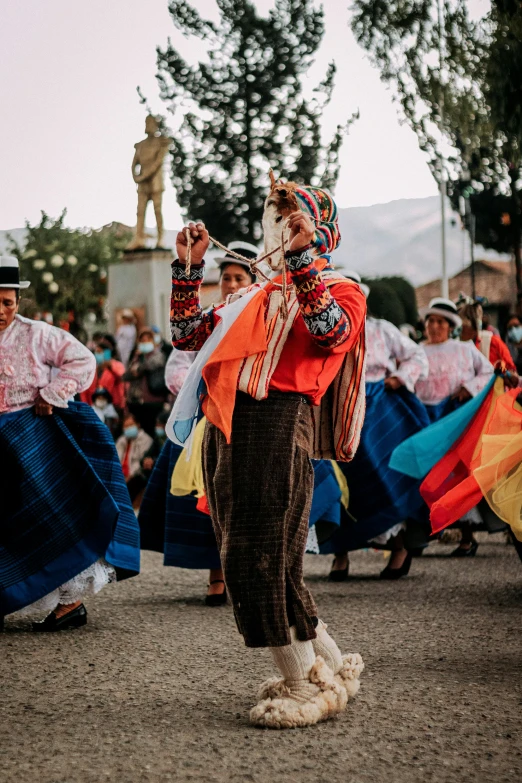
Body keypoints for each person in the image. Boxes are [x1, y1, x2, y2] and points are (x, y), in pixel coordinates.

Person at [168, 179, 367, 729]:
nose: (280, 225)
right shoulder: (248, 293)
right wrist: (189, 269)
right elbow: (188, 335)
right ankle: (330, 668)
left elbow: (329, 333)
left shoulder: (342, 289)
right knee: (264, 557)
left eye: (293, 216)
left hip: (279, 421)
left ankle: (306, 688)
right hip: (227, 423)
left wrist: (302, 258)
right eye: (275, 215)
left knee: (257, 556)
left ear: (317, 227)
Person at [0, 256, 140, 632]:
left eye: (7, 302)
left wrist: (52, 392)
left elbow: (81, 360)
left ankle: (70, 603)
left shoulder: (37, 334)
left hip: (33, 436)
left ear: (17, 300)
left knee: (51, 515)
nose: (0, 310)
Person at [140, 241, 260, 606]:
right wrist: (203, 386)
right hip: (206, 414)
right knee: (210, 494)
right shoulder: (208, 319)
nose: (233, 284)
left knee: (252, 497)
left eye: (240, 277)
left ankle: (257, 575)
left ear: (254, 281)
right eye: (227, 277)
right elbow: (178, 365)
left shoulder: (263, 319)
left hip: (251, 416)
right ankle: (217, 574)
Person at [329, 275, 430, 581]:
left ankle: (399, 546)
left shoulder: (382, 330)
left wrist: (398, 378)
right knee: (339, 480)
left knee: (383, 475)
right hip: (338, 409)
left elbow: (416, 354)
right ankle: (340, 553)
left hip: (379, 408)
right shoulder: (329, 331)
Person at [403, 297, 494, 555]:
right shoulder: (416, 350)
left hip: (455, 417)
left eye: (440, 321)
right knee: (425, 475)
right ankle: (422, 531)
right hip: (424, 417)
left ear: (450, 325)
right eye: (430, 320)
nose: (433, 325)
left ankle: (467, 535)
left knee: (455, 473)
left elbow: (487, 372)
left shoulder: (464, 349)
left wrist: (468, 388)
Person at [124, 327, 168, 437]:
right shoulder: (137, 357)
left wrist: (139, 369)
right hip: (136, 401)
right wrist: (137, 357)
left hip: (153, 401)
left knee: (152, 432)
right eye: (142, 340)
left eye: (148, 339)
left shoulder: (158, 356)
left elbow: (149, 366)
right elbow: (127, 375)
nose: (144, 342)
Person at [458, 301, 517, 380]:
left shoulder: (493, 342)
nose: (461, 333)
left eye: (464, 329)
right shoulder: (456, 346)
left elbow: (511, 372)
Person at [81, 338, 125, 411]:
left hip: (113, 405)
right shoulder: (92, 368)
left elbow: (121, 377)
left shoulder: (117, 365)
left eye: (99, 352)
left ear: (106, 353)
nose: (97, 354)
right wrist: (85, 405)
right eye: (96, 352)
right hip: (93, 405)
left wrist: (110, 367)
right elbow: (85, 388)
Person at [116, 412, 153, 484]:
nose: (129, 428)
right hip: (120, 477)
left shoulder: (146, 439)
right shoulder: (121, 440)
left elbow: (139, 463)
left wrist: (129, 477)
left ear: (138, 425)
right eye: (126, 426)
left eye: (131, 425)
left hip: (135, 477)